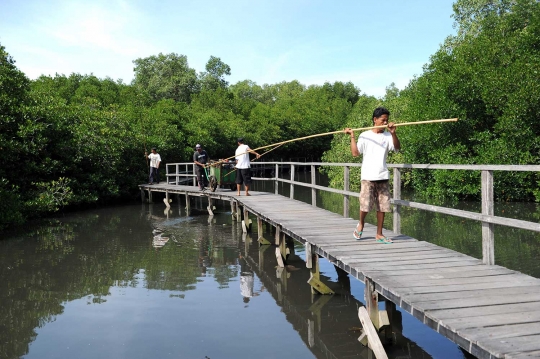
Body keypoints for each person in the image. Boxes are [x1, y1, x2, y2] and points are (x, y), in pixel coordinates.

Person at [344, 107, 401, 244]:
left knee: (383, 206)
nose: (385, 122)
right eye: (383, 120)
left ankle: (379, 234)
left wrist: (393, 133)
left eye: (387, 120)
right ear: (375, 120)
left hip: (382, 175)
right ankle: (361, 223)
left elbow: (397, 149)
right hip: (368, 176)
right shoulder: (364, 135)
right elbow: (355, 153)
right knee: (365, 205)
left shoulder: (387, 136)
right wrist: (352, 135)